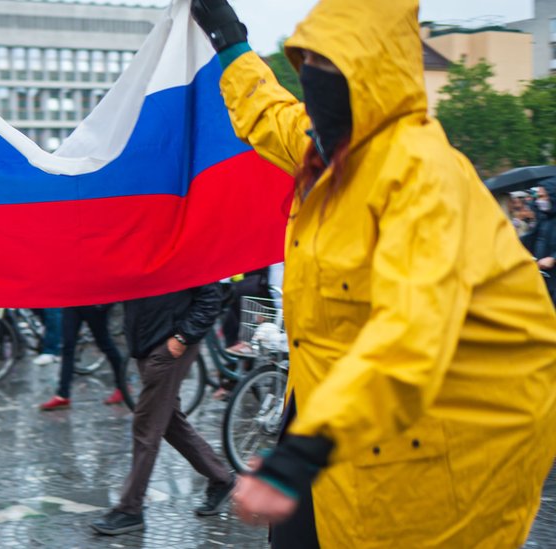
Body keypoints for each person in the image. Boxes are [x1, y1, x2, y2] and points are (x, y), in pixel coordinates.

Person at [191, 0, 556, 547]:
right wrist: (229, 38)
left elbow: (415, 329)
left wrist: (299, 454)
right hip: (328, 412)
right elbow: (269, 114)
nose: (314, 81)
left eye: (330, 66)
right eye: (307, 61)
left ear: (374, 74)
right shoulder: (327, 151)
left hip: (421, 443)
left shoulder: (421, 174)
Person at [90, 284, 234, 535]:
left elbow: (210, 298)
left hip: (169, 346)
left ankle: (129, 508)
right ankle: (221, 478)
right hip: (146, 344)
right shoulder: (137, 249)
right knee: (168, 422)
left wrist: (181, 339)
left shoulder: (181, 246)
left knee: (146, 426)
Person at [39, 304, 126, 410]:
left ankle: (122, 386)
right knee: (67, 347)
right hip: (72, 301)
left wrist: (104, 304)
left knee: (104, 343)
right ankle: (63, 395)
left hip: (93, 301)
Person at [522, 179, 556, 305]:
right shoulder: (544, 218)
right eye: (538, 196)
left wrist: (553, 258)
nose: (539, 201)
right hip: (544, 277)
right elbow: (530, 238)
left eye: (542, 196)